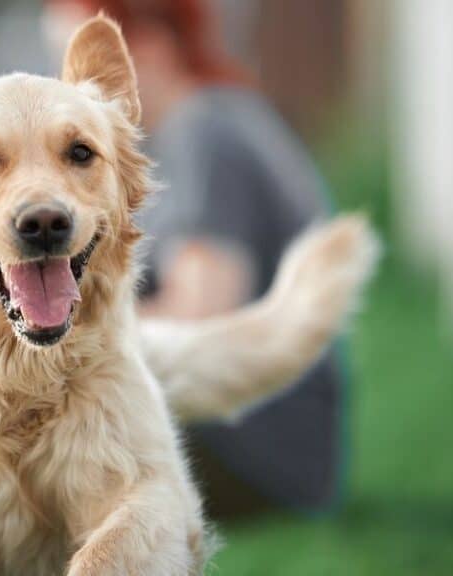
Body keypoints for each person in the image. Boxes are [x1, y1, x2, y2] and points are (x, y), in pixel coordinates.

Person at [43, 0, 346, 516]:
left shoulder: (205, 133)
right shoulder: (203, 122)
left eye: (80, 64)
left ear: (148, 48)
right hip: (256, 437)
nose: (65, 89)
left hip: (254, 452)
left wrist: (55, 337)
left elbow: (199, 319)